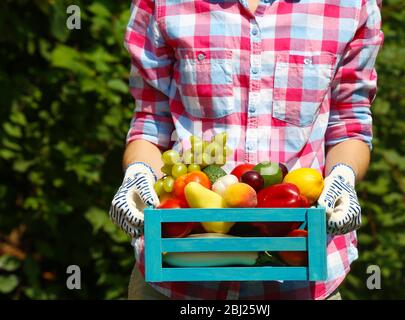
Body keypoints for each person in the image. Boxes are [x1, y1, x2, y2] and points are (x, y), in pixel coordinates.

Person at [109, 0, 384, 300]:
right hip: (175, 277)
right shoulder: (162, 4)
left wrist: (344, 176)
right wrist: (137, 173)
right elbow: (151, 121)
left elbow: (350, 121)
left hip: (302, 278)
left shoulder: (351, 5)